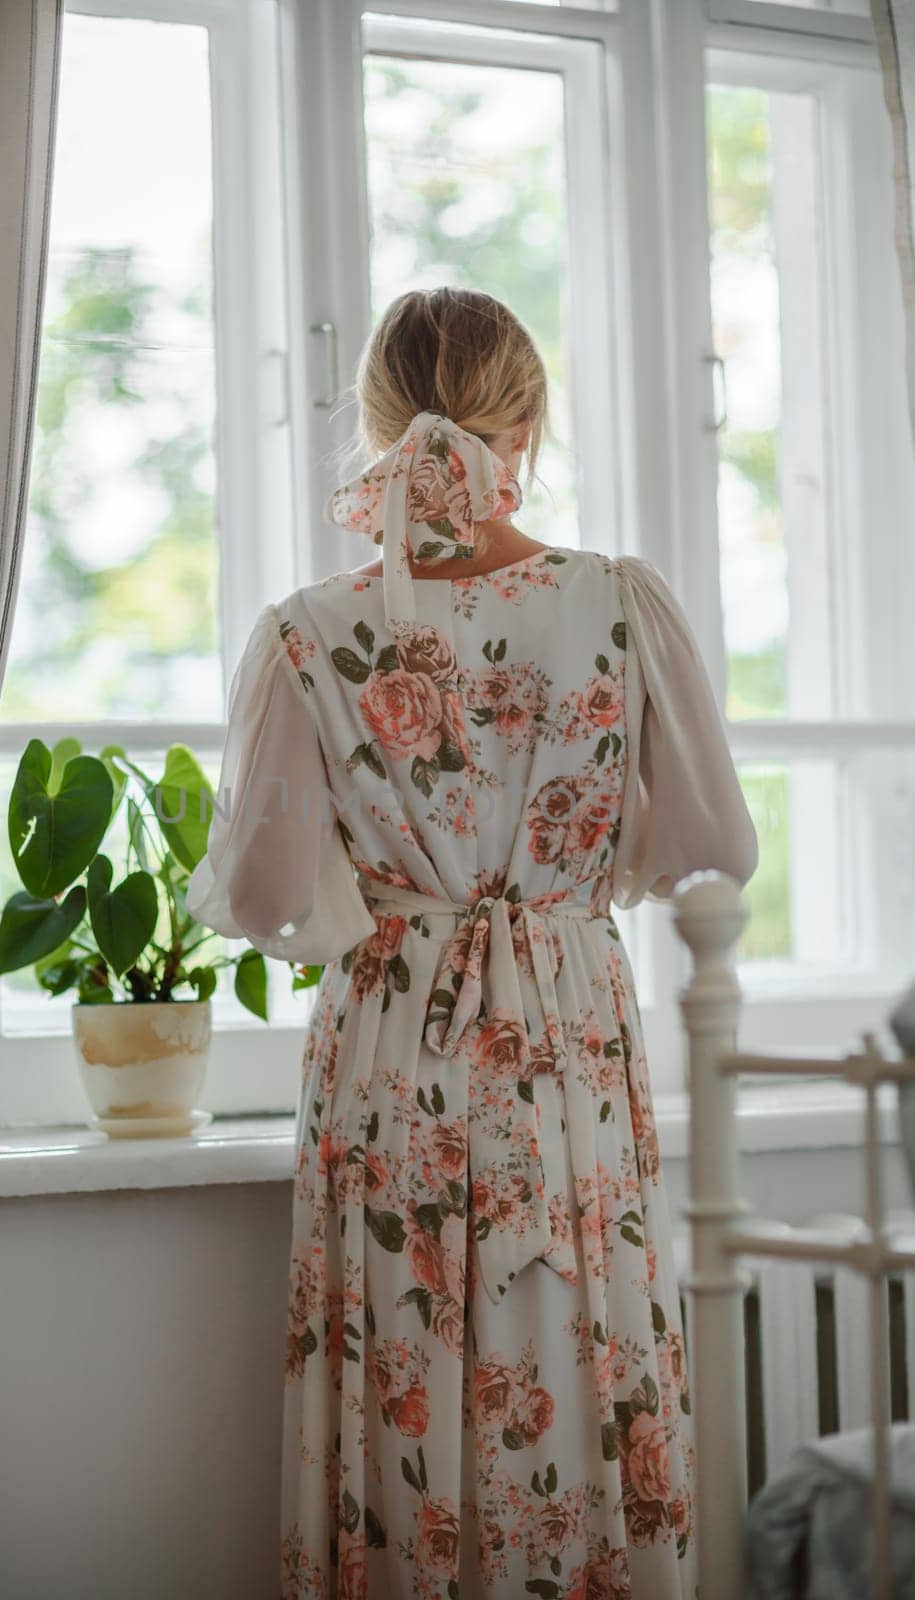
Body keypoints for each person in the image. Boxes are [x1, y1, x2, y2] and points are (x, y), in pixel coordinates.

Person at [187, 286, 757, 1599]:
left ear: (375, 426)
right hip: (564, 1019)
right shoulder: (619, 604)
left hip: (395, 1035)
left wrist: (396, 862)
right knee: (577, 1339)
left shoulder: (307, 634)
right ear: (532, 421)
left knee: (405, 1351)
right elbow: (710, 840)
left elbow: (268, 897)